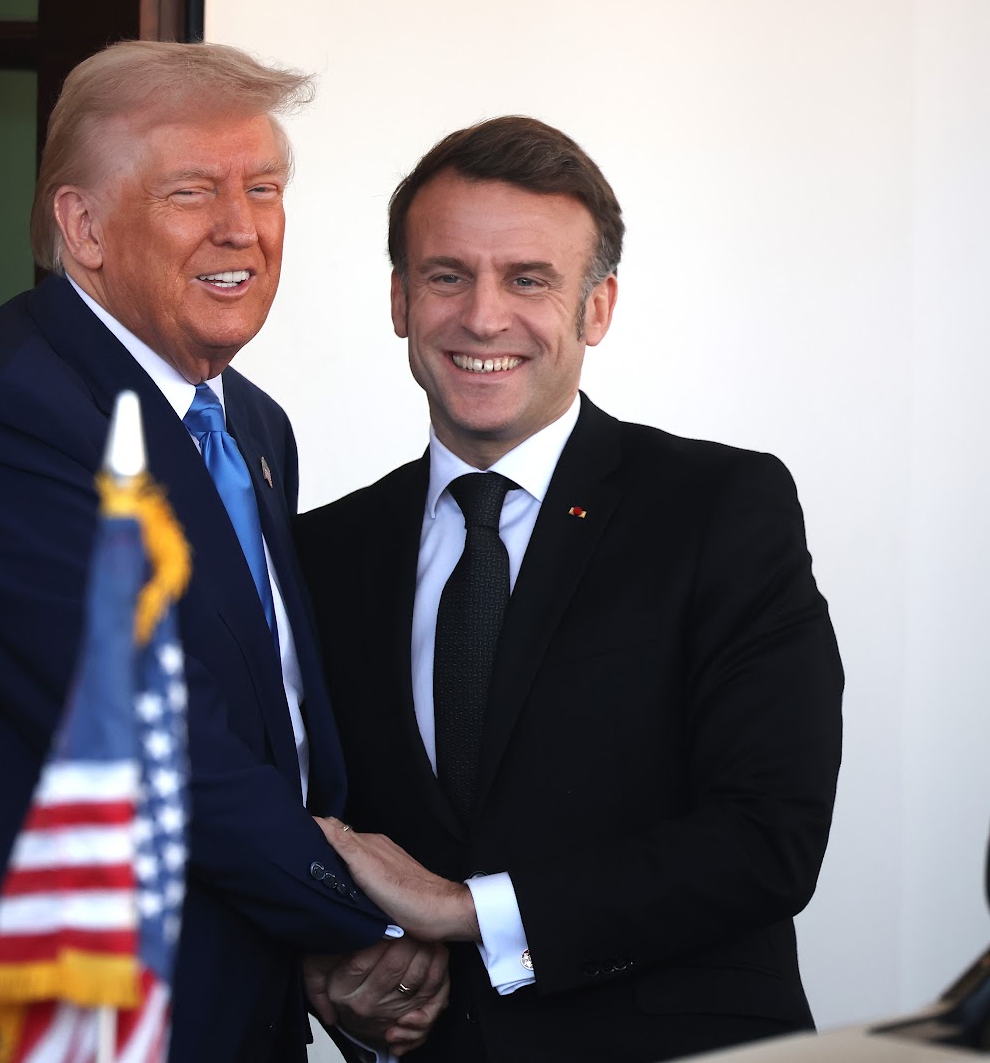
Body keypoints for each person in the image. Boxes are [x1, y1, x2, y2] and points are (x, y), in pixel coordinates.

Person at [0, 40, 445, 1063]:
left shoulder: (248, 425)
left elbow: (274, 727)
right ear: (81, 227)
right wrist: (368, 920)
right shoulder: (8, 416)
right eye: (191, 191)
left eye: (262, 188)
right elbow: (163, 741)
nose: (241, 227)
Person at [295, 116, 844, 1062]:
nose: (482, 316)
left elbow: (769, 836)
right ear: (398, 298)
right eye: (446, 274)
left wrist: (472, 911)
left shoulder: (722, 508)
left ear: (598, 308)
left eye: (528, 278)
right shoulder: (320, 551)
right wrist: (335, 970)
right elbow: (302, 815)